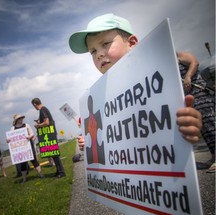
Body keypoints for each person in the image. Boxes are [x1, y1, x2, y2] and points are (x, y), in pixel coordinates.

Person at [68, 13, 203, 150]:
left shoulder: (157, 77)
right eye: (93, 51)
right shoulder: (101, 95)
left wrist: (187, 122)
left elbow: (170, 119)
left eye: (105, 44)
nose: (99, 54)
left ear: (132, 43)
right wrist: (90, 144)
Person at [177, 51, 215, 172]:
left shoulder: (177, 54)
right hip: (189, 98)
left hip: (199, 93)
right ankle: (214, 157)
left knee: (210, 124)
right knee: (203, 127)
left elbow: (195, 62)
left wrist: (188, 76)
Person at [31, 98, 66, 178]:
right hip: (51, 134)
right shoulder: (44, 109)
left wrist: (38, 125)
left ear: (35, 104)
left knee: (55, 155)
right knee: (53, 154)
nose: (34, 107)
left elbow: (46, 122)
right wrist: (40, 122)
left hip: (50, 135)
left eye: (34, 106)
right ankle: (58, 171)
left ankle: (61, 172)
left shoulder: (42, 110)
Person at [8, 114, 44, 184]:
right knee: (23, 164)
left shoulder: (26, 125)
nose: (21, 119)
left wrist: (29, 137)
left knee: (34, 161)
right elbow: (11, 138)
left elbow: (32, 134)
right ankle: (24, 179)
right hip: (20, 149)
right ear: (16, 120)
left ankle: (41, 175)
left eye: (21, 118)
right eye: (19, 118)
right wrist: (8, 140)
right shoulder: (12, 129)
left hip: (28, 146)